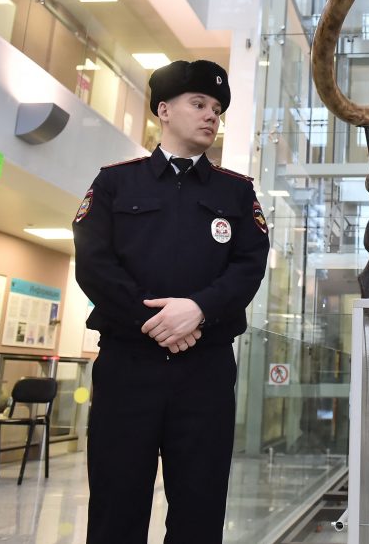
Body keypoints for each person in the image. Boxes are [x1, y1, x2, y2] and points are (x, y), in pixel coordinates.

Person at [73, 59, 269, 544]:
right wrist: (158, 322)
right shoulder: (116, 183)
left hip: (205, 371)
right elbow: (94, 264)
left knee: (200, 511)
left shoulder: (236, 192)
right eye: (199, 104)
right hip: (128, 366)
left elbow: (249, 265)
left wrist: (198, 310)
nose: (211, 116)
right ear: (163, 110)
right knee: (116, 508)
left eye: (217, 108)